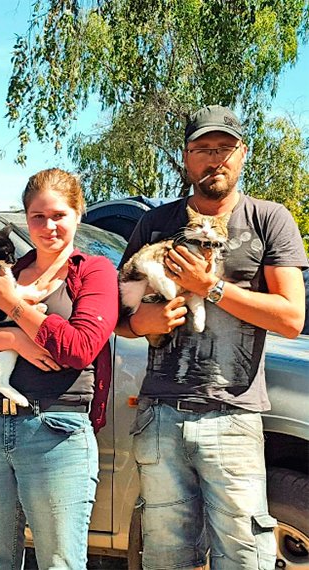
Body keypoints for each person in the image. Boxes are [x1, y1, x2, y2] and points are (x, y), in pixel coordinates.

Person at [116, 104, 307, 570]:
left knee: (245, 554)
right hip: (161, 414)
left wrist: (212, 288)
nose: (214, 158)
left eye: (224, 148)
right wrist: (141, 324)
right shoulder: (155, 224)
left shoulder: (270, 220)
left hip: (234, 414)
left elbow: (291, 318)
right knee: (165, 554)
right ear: (186, 158)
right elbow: (117, 316)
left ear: (242, 154)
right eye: (203, 148)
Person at [0, 168, 118, 569]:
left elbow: (80, 348)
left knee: (60, 563)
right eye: (37, 217)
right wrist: (11, 338)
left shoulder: (93, 271)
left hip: (56, 429)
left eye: (59, 215)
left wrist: (11, 306)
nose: (48, 227)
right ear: (25, 218)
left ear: (78, 214)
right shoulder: (6, 274)